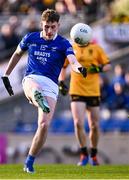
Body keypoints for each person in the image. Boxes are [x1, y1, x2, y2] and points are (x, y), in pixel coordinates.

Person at [1, 9, 87, 173]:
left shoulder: (63, 43)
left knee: (44, 124)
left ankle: (29, 161)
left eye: (52, 27)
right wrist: (6, 75)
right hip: (31, 79)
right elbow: (17, 55)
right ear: (42, 24)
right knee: (35, 87)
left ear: (58, 26)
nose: (49, 31)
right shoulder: (30, 38)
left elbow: (73, 61)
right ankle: (37, 95)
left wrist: (80, 68)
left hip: (51, 85)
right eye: (46, 26)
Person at [59, 24, 111, 166]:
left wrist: (98, 68)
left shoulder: (96, 49)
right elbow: (63, 67)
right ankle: (83, 154)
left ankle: (93, 154)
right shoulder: (71, 49)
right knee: (78, 122)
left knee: (94, 125)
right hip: (77, 90)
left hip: (93, 91)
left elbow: (108, 65)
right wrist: (61, 82)